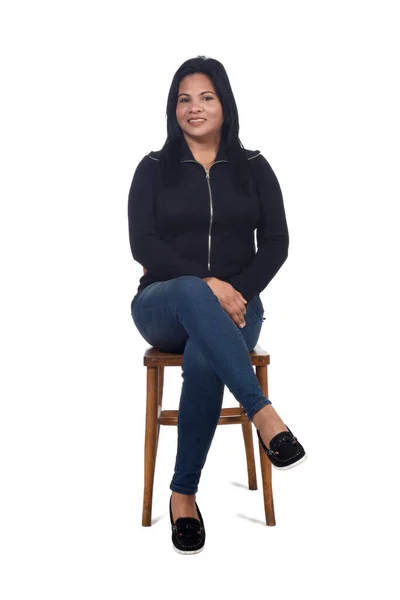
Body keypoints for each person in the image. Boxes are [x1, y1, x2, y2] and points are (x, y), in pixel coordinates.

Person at [128, 55, 307, 555]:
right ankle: (265, 415)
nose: (194, 107)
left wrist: (239, 292)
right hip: (163, 305)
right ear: (173, 109)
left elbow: (276, 243)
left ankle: (183, 494)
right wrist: (207, 283)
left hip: (238, 308)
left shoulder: (253, 168)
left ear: (225, 104)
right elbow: (144, 245)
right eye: (184, 99)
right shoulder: (152, 169)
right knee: (190, 290)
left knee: (206, 355)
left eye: (206, 97)